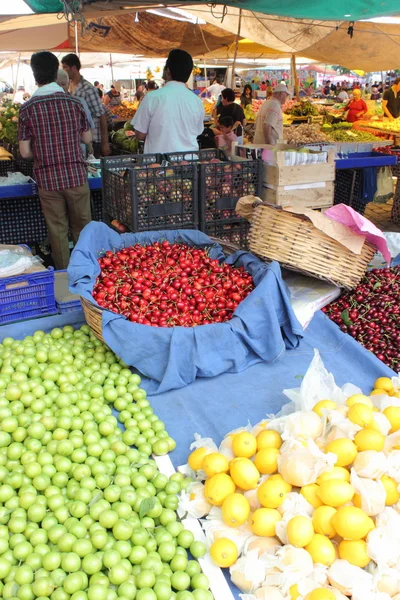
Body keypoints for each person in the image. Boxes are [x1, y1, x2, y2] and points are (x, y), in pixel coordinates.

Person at [18, 51, 92, 270]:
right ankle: (86, 273)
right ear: (55, 71)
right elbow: (87, 139)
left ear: (35, 75)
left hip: (48, 180)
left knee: (58, 232)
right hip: (76, 177)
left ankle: (64, 278)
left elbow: (24, 152)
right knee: (83, 228)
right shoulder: (74, 103)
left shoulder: (28, 108)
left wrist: (41, 150)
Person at [132, 49, 204, 154]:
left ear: (168, 71)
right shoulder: (197, 101)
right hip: (189, 163)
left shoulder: (152, 98)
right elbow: (197, 131)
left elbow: (140, 135)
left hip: (159, 166)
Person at [61, 53, 110, 158]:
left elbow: (101, 115)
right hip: (77, 140)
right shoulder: (68, 87)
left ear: (73, 68)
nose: (63, 70)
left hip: (92, 140)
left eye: (65, 67)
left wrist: (105, 143)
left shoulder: (88, 89)